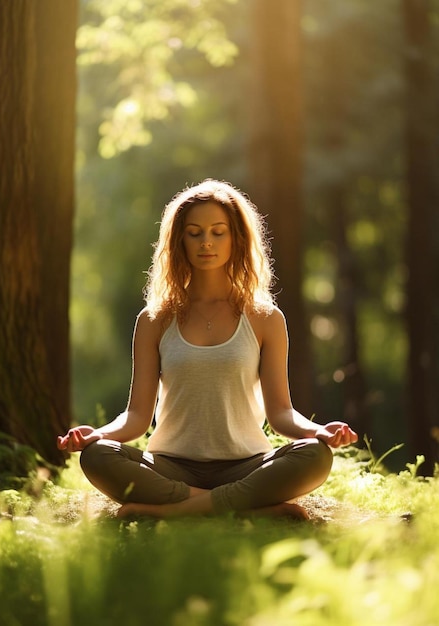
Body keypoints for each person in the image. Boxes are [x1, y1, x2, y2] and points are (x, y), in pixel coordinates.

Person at [57, 179, 358, 520]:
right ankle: (245, 508)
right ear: (179, 240)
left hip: (247, 464)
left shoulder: (265, 317)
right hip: (170, 466)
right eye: (195, 233)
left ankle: (173, 513)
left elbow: (281, 414)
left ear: (236, 239)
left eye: (218, 232)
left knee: (314, 455)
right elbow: (137, 417)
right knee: (97, 456)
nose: (206, 243)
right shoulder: (154, 319)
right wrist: (96, 434)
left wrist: (319, 432)